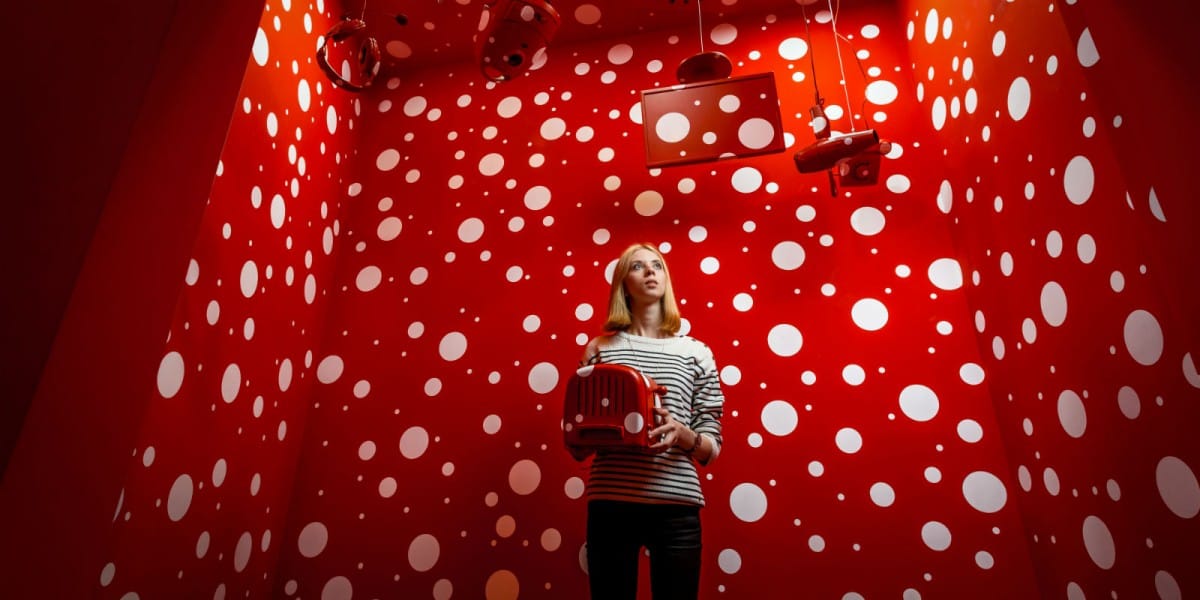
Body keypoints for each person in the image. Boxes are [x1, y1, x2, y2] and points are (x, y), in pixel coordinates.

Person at [567, 242, 726, 600]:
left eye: (657, 265)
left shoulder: (696, 352)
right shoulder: (600, 349)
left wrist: (684, 435)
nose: (651, 271)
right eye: (638, 267)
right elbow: (578, 445)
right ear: (624, 284)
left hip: (677, 507)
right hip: (611, 505)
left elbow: (711, 447)